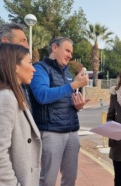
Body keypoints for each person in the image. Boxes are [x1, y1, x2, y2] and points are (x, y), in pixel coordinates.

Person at [29, 37, 89, 186]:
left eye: (71, 52)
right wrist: (74, 85)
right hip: (51, 132)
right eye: (67, 50)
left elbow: (64, 99)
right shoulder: (40, 69)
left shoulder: (67, 73)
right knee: (48, 179)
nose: (70, 55)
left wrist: (77, 106)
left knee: (70, 178)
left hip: (71, 131)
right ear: (54, 48)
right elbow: (42, 96)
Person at [0, 43, 41, 185]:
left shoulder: (6, 95)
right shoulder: (4, 99)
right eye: (30, 63)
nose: (33, 69)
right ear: (14, 66)